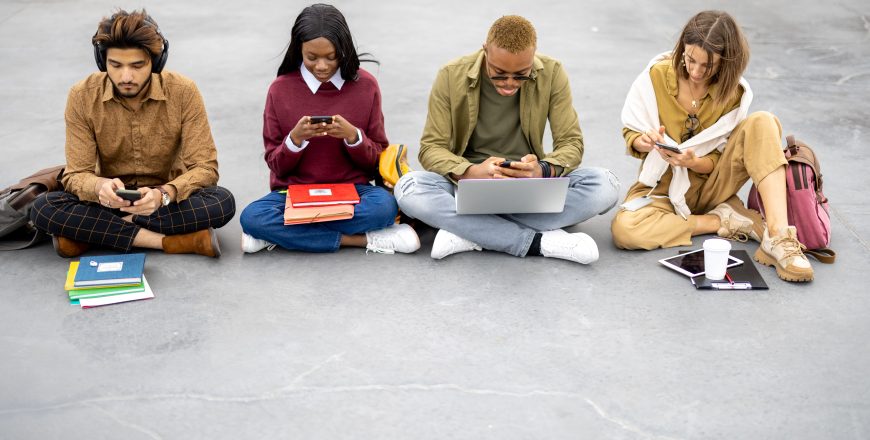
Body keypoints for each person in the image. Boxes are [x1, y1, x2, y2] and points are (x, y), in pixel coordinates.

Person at [394, 15, 619, 264]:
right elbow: (431, 148)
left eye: (521, 74)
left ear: (533, 57)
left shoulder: (552, 72)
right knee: (409, 187)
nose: (509, 84)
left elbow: (571, 142)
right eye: (499, 74)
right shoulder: (450, 75)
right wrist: (471, 171)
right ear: (485, 51)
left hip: (531, 190)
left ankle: (471, 232)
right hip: (466, 188)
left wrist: (541, 170)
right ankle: (539, 242)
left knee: (605, 184)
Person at [611, 10, 813, 282]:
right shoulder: (656, 77)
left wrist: (693, 162)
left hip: (713, 185)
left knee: (763, 122)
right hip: (661, 189)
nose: (695, 71)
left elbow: (722, 158)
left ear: (726, 63)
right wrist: (643, 141)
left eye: (707, 66)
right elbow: (631, 131)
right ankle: (721, 221)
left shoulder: (733, 93)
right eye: (690, 59)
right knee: (625, 230)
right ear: (682, 48)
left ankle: (778, 236)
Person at [30, 9, 235, 258]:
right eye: (115, 65)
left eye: (138, 65)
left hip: (163, 202)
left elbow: (205, 168)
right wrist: (99, 187)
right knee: (44, 208)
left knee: (221, 202)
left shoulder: (183, 92)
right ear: (102, 61)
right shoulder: (82, 95)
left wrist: (163, 195)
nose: (126, 76)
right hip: (107, 203)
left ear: (156, 61)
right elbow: (76, 175)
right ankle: (169, 242)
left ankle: (90, 235)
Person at [238, 4, 420, 255]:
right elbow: (276, 164)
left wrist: (353, 137)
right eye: (312, 57)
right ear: (298, 49)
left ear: (343, 50)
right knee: (252, 217)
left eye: (331, 57)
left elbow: (375, 160)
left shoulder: (366, 85)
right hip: (292, 193)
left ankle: (282, 236)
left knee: (384, 207)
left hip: (354, 191)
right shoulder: (280, 89)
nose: (321, 66)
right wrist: (295, 140)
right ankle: (362, 240)